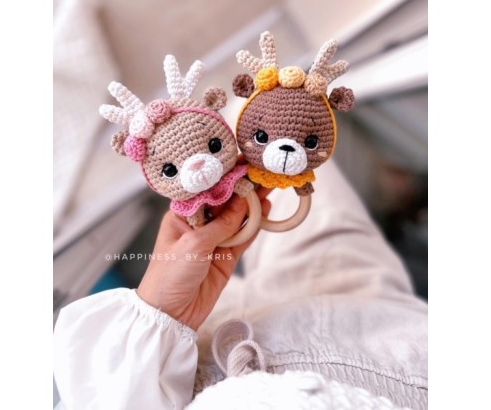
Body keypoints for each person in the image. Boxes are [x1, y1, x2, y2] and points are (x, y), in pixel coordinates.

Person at [53, 160, 428, 409]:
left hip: (198, 331)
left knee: (260, 130)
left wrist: (160, 311)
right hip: (368, 325)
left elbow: (95, 395)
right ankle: (398, 197)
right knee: (303, 163)